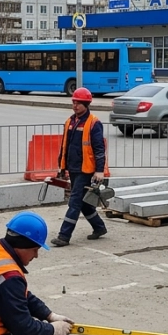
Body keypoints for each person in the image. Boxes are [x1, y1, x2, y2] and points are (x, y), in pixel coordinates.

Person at [51, 87, 107, 247]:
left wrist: (99, 170)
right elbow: (65, 146)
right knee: (83, 203)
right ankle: (99, 227)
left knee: (74, 202)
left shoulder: (93, 123)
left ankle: (64, 236)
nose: (75, 105)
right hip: (73, 167)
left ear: (86, 104)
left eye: (78, 103)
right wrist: (61, 167)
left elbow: (99, 149)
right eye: (74, 102)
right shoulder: (70, 121)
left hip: (86, 170)